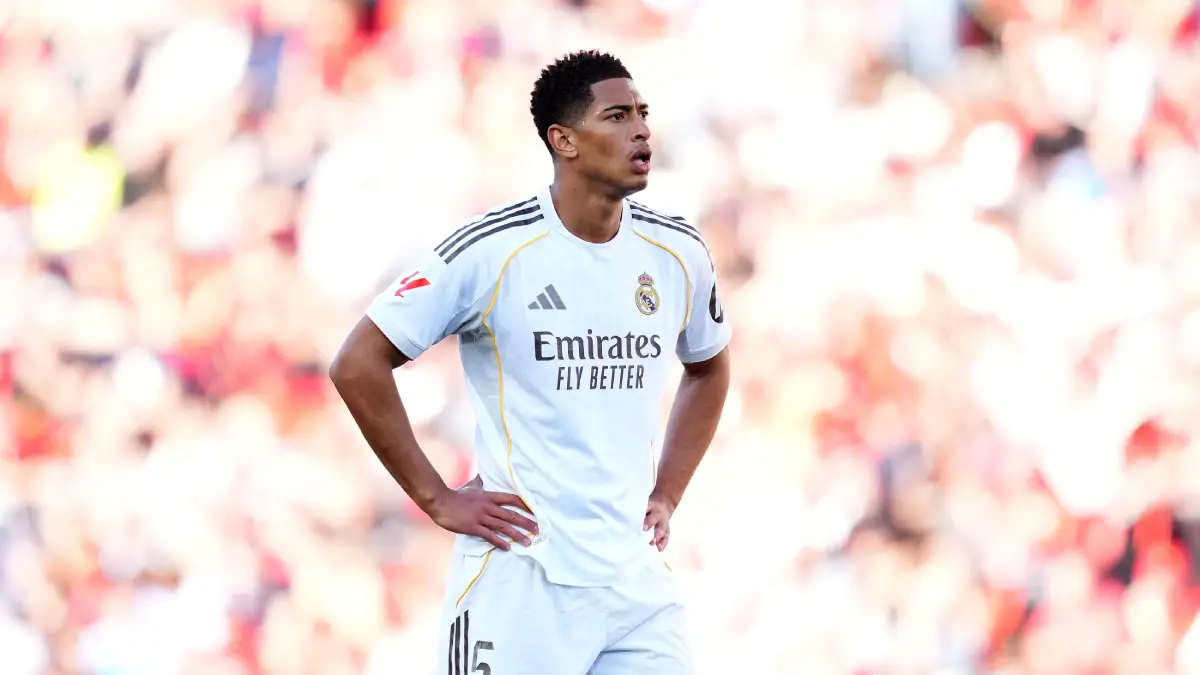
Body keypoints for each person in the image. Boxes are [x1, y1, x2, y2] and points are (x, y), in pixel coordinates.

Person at [329, 50, 731, 674]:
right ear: (563, 140)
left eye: (643, 114)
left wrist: (668, 492)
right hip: (523, 581)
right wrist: (435, 497)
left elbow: (708, 365)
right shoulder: (492, 251)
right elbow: (357, 362)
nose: (642, 129)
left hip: (635, 585)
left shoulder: (677, 250)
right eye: (618, 116)